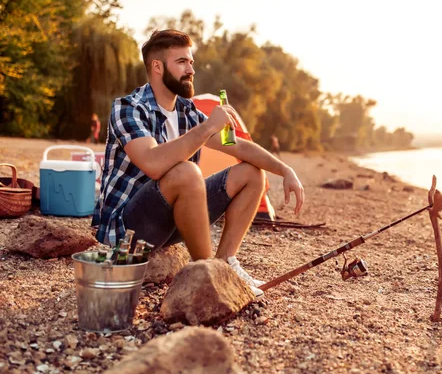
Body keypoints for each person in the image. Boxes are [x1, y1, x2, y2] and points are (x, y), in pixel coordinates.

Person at [92, 30, 305, 297]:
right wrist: (206, 128)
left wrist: (285, 170)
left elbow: (236, 146)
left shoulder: (186, 110)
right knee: (186, 171)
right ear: (157, 67)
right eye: (181, 61)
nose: (190, 69)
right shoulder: (128, 108)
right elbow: (153, 164)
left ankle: (225, 263)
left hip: (170, 223)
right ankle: (209, 277)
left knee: (251, 173)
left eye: (191, 62)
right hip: (128, 229)